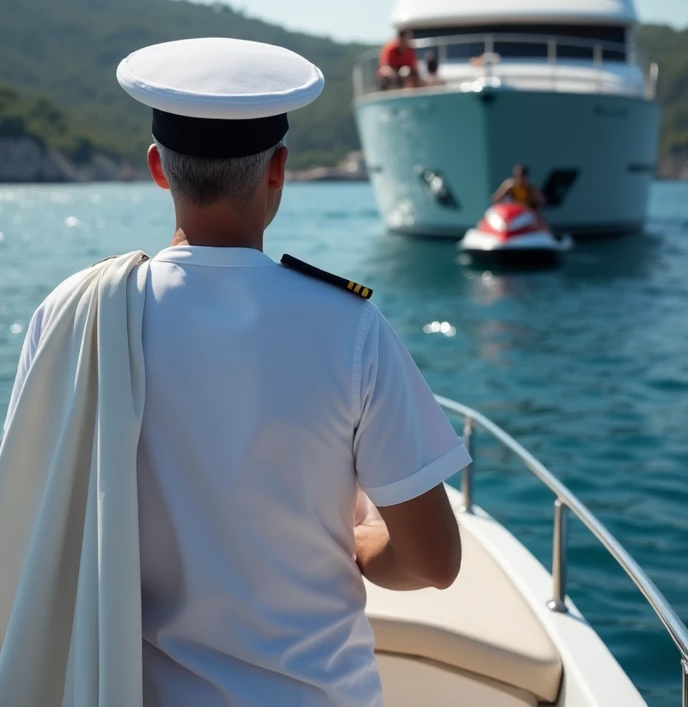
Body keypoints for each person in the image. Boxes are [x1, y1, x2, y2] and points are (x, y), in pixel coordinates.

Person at [4, 36, 470, 707]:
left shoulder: (74, 315)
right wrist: (363, 545)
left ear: (158, 169)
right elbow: (434, 562)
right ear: (278, 168)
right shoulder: (351, 328)